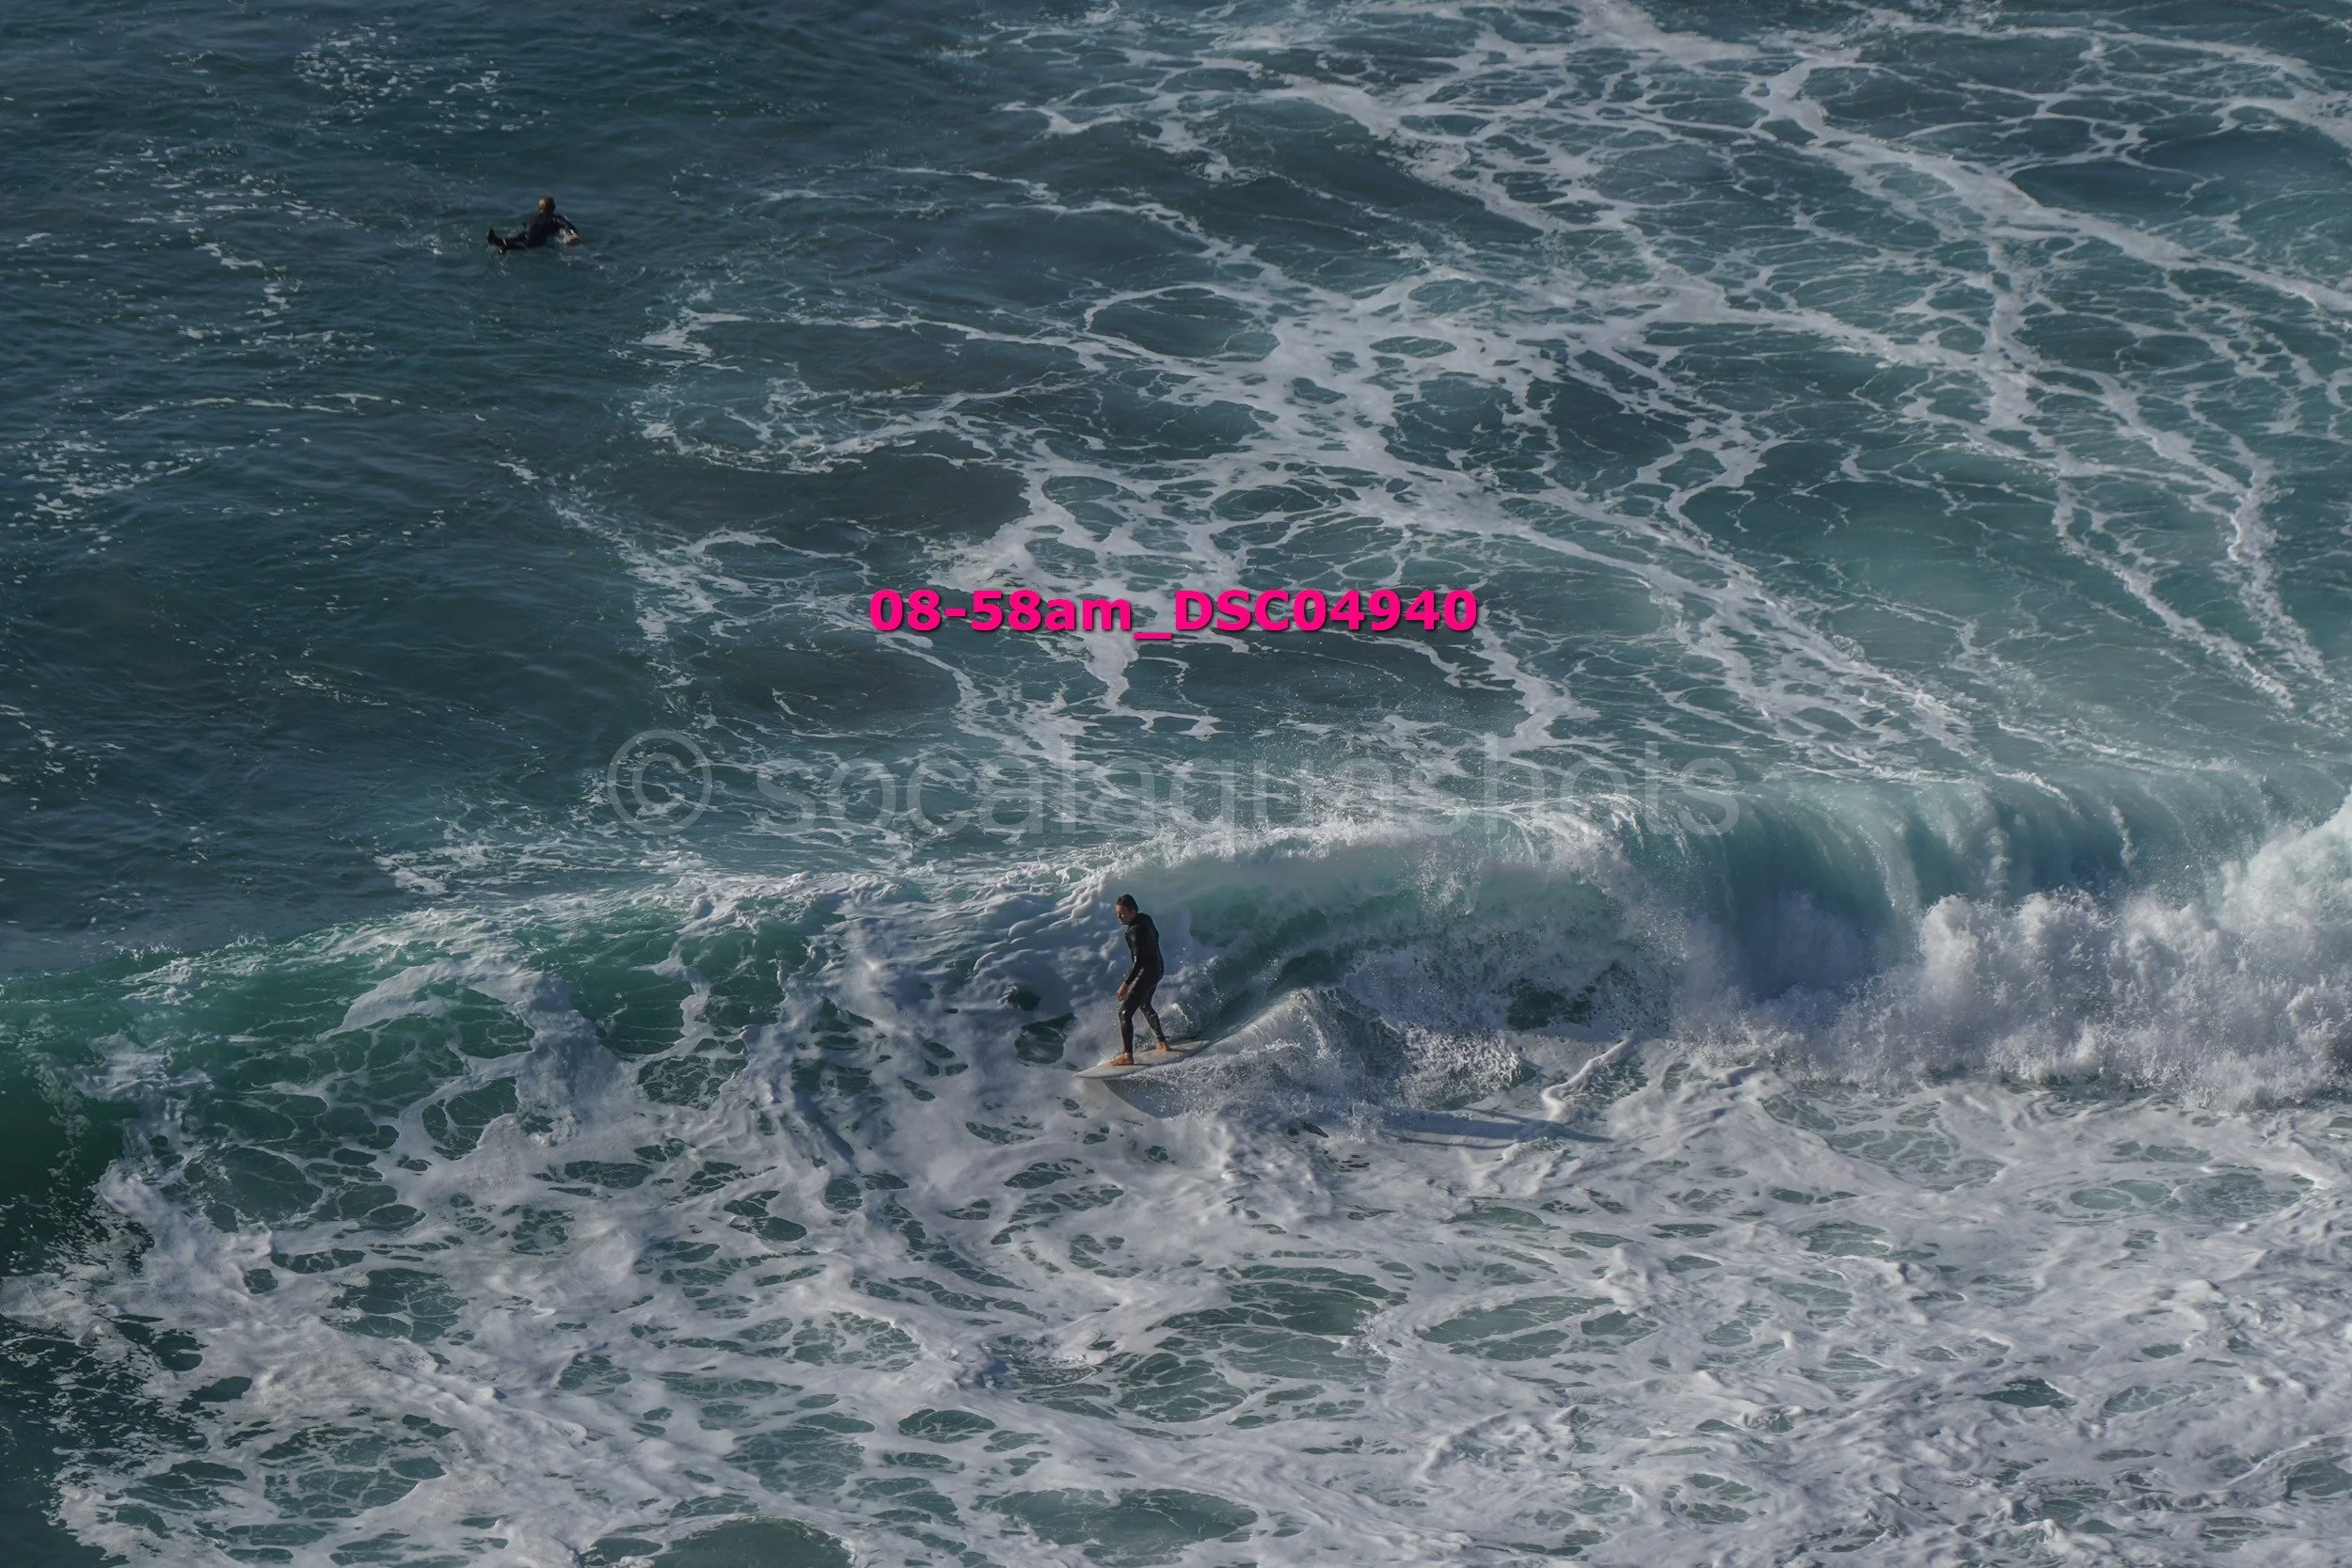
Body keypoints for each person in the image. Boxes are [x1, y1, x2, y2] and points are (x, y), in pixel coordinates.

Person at [1109, 893, 1169, 1066]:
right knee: (1144, 1004)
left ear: (1133, 911)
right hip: (1158, 968)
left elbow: (1138, 962)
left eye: (1122, 913)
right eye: (1117, 913)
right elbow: (1154, 941)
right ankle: (1162, 1041)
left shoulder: (1134, 931)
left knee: (1124, 1013)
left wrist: (1125, 985)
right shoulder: (1146, 919)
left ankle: (1128, 1056)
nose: (1119, 917)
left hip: (1147, 972)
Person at [487, 197, 580, 252]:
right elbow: (567, 225)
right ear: (554, 207)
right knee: (525, 245)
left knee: (517, 238)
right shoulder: (555, 218)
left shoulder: (532, 217)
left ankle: (498, 241)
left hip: (526, 233)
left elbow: (525, 225)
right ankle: (509, 247)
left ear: (539, 208)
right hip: (537, 238)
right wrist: (574, 234)